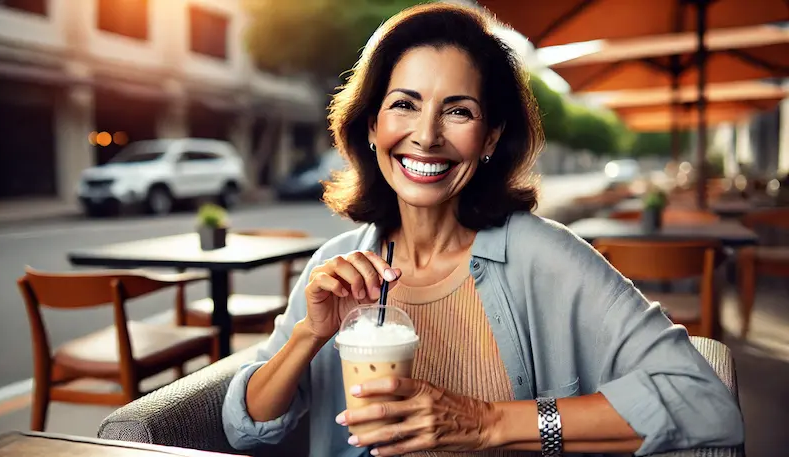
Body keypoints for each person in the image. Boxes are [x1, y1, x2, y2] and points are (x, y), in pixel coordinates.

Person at [222, 3, 744, 456]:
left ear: (490, 136)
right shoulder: (335, 265)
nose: (426, 136)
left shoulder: (545, 256)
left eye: (459, 111)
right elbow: (245, 430)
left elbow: (704, 402)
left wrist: (488, 422)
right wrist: (308, 337)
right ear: (372, 125)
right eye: (404, 104)